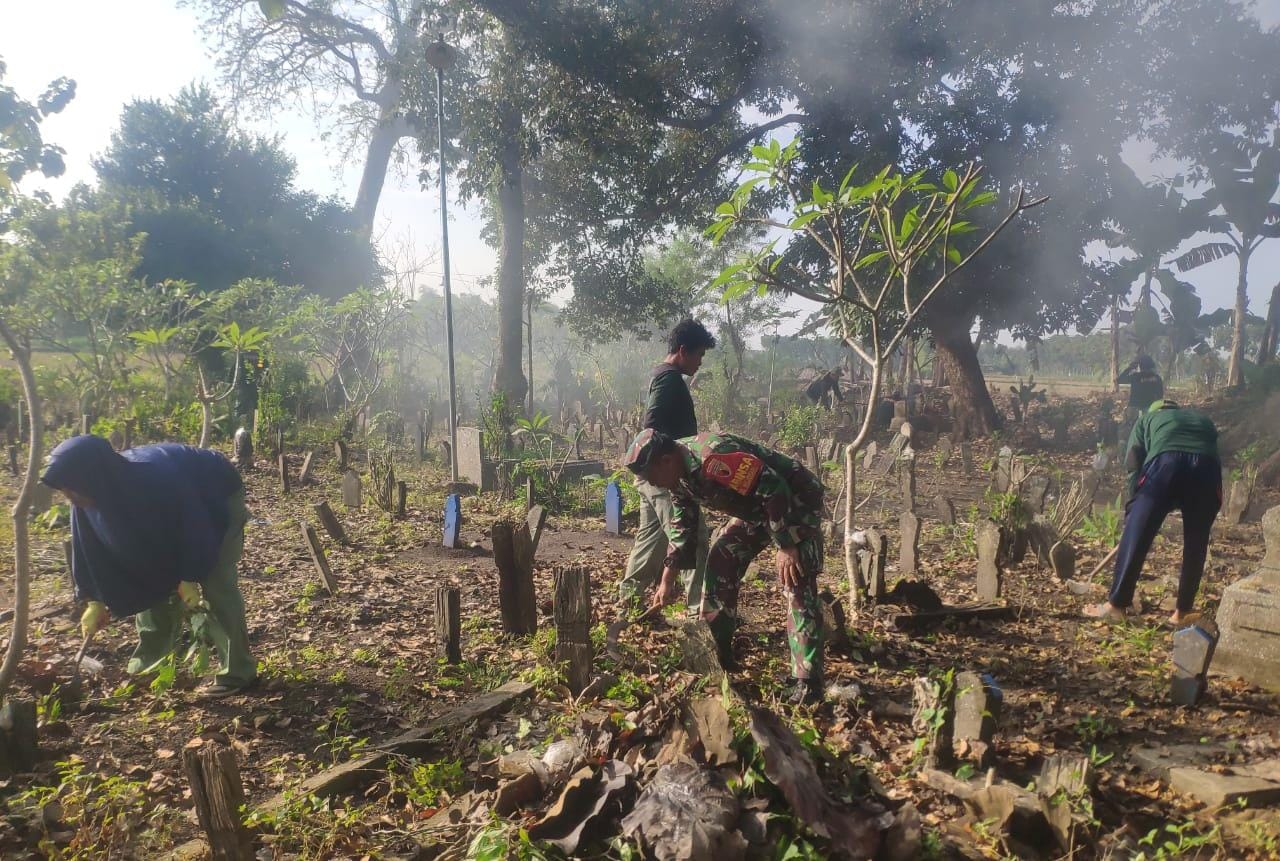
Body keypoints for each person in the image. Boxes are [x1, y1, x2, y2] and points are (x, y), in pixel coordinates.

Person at [42, 435, 257, 696]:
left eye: (71, 488)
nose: (68, 496)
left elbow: (195, 525)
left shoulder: (155, 478)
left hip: (214, 495)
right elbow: (88, 548)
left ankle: (237, 672)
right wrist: (93, 599)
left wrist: (189, 576)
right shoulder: (85, 498)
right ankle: (151, 665)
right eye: (64, 490)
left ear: (93, 476)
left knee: (216, 583)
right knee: (148, 582)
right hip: (182, 513)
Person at [624, 428, 826, 704]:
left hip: (795, 501)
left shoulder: (713, 458)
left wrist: (787, 544)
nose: (654, 485)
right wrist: (667, 579)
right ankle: (717, 653)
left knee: (795, 577)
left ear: (666, 461)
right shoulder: (679, 477)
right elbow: (682, 525)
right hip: (758, 509)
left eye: (652, 477)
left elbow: (774, 488)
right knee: (722, 558)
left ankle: (807, 681)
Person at [1085, 399, 1221, 625]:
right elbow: (1210, 453)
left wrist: (1134, 508)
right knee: (1197, 541)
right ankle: (1183, 611)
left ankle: (1116, 605)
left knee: (1137, 534)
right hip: (1208, 470)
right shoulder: (1203, 420)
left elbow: (1133, 463)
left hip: (1165, 464)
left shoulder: (1146, 420)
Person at [617, 320, 716, 610]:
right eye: (698, 355)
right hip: (663, 474)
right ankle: (700, 610)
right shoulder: (669, 379)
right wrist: (667, 463)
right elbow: (652, 426)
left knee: (651, 538)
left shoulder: (663, 376)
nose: (699, 363)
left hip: (653, 473)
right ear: (683, 350)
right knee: (692, 536)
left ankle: (630, 599)